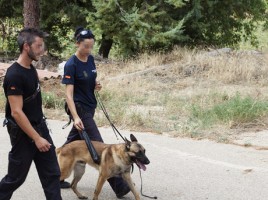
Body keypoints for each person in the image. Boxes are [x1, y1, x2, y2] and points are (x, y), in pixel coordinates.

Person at [60, 27, 130, 198]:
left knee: (74, 141)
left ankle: (54, 174)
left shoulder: (90, 59)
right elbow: (68, 94)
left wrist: (96, 85)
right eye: (85, 46)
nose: (88, 50)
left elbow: (90, 80)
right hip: (78, 107)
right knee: (97, 144)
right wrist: (75, 117)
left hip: (90, 106)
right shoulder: (71, 64)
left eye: (91, 46)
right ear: (77, 44)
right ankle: (119, 185)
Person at [0, 28, 62, 200]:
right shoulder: (14, 75)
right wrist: (37, 138)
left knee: (52, 174)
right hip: (23, 134)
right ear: (26, 46)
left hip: (39, 127)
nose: (42, 50)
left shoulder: (31, 69)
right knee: (15, 179)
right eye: (38, 46)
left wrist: (41, 134)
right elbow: (17, 112)